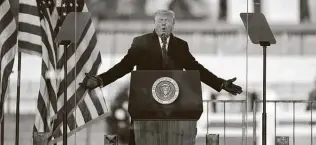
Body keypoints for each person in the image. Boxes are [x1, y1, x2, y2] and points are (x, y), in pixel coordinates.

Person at [80, 9, 243, 145]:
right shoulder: (140, 43)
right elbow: (123, 66)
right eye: (160, 21)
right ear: (154, 23)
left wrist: (220, 83)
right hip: (144, 109)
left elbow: (196, 68)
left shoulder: (181, 45)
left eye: (167, 21)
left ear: (174, 24)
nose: (163, 24)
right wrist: (100, 80)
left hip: (173, 112)